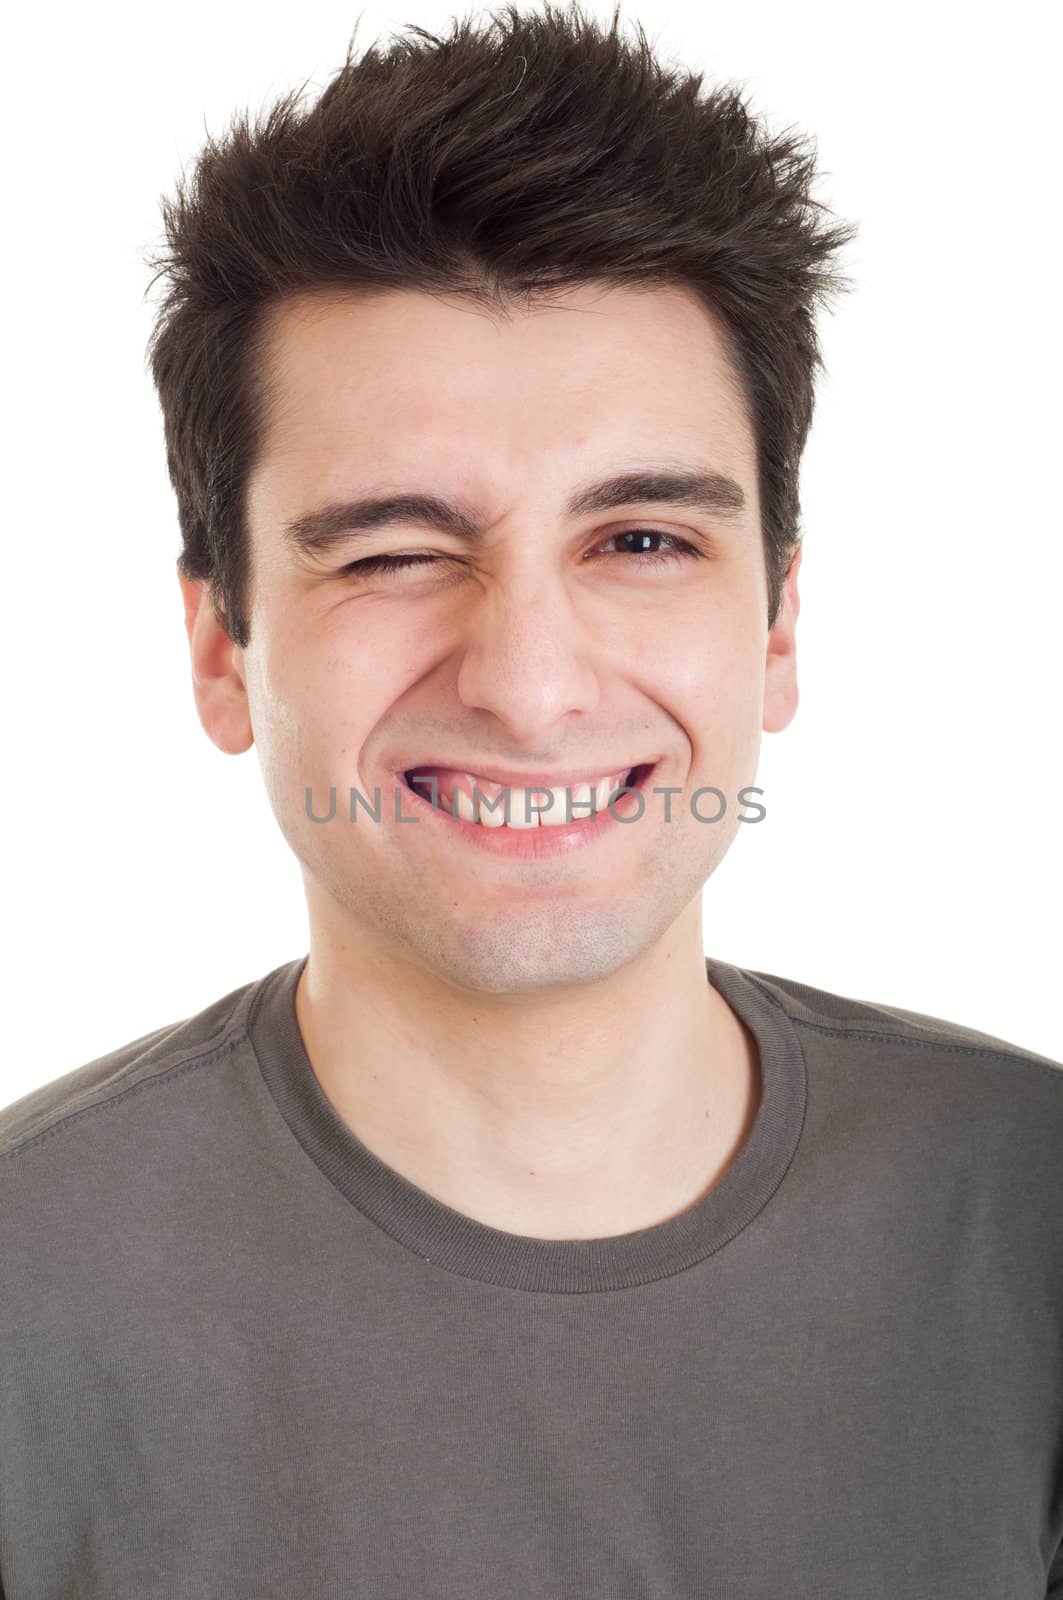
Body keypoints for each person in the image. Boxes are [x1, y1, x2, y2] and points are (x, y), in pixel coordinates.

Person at [1, 3, 1060, 1595]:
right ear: (221, 645)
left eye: (640, 541)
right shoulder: (28, 1300)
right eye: (395, 552)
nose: (530, 681)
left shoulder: (1033, 1217)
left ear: (775, 627)